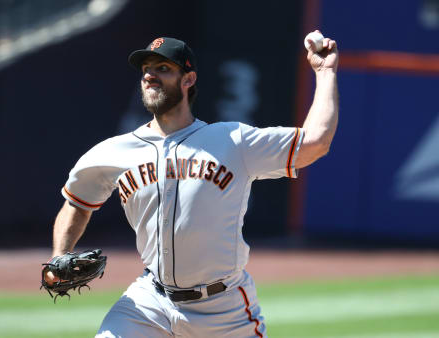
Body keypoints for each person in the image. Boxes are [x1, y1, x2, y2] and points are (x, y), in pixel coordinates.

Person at [45, 34, 339, 337]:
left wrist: (325, 72)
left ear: (189, 79)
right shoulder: (114, 152)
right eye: (146, 68)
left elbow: (316, 142)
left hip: (223, 307)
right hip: (151, 302)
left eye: (162, 68)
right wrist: (59, 256)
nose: (149, 75)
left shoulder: (232, 141)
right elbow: (76, 203)